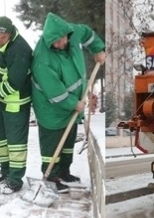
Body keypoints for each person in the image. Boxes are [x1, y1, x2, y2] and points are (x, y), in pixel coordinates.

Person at [31, 12, 106, 193]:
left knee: (67, 142)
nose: (60, 44)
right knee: (52, 145)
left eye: (61, 40)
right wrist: (74, 103)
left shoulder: (73, 33)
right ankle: (50, 176)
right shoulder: (42, 59)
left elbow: (88, 34)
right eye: (55, 43)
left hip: (71, 106)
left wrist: (98, 49)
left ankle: (64, 172)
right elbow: (54, 92)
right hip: (51, 108)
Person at [0, 16, 33, 194]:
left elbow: (14, 84)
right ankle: (5, 171)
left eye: (2, 38)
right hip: (1, 102)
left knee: (16, 143)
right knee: (1, 140)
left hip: (16, 102)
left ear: (10, 34)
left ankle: (15, 179)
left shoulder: (20, 49)